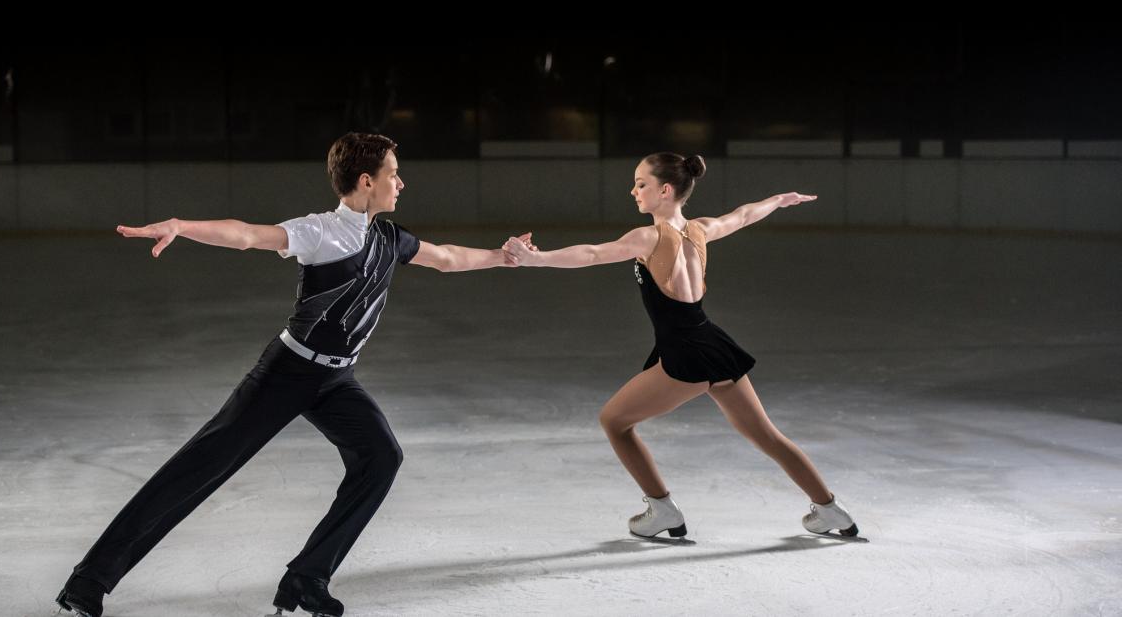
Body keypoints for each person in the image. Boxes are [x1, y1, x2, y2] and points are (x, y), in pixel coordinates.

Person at [56, 132, 535, 617]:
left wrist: (502, 256)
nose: (401, 183)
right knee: (199, 468)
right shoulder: (321, 232)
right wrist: (182, 224)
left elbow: (449, 259)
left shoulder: (392, 238)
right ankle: (87, 582)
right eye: (393, 174)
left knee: (381, 457)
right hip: (286, 372)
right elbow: (246, 234)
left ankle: (306, 579)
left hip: (337, 380)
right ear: (367, 181)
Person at [504, 152, 858, 542]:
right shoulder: (700, 229)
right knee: (767, 436)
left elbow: (591, 254)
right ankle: (829, 509)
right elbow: (741, 215)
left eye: (641, 184)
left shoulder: (648, 237)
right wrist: (777, 200)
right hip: (712, 341)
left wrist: (536, 260)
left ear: (665, 190)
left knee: (614, 422)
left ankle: (662, 508)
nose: (634, 190)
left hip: (686, 354)